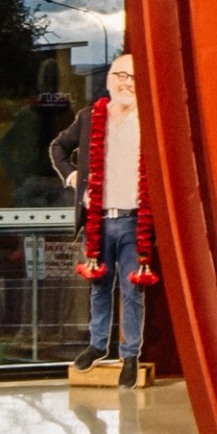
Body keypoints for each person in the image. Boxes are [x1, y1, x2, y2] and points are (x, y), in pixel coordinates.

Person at [65, 53, 151, 383]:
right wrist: (72, 175)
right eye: (120, 76)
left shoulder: (149, 122)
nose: (126, 83)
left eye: (133, 77)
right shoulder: (90, 118)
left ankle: (130, 355)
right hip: (98, 220)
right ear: (109, 80)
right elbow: (58, 147)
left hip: (134, 220)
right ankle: (97, 345)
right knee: (99, 287)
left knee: (132, 291)